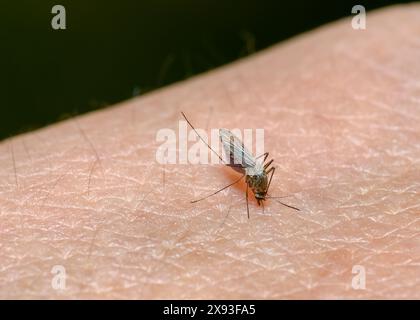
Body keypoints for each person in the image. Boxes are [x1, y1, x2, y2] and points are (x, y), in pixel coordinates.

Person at [1, 4, 419, 298]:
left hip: (246, 163)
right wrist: (240, 183)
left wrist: (258, 186)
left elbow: (261, 174)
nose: (261, 195)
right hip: (241, 161)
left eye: (262, 193)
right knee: (239, 168)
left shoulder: (259, 181)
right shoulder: (247, 177)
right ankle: (203, 139)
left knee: (253, 166)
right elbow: (250, 173)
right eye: (260, 193)